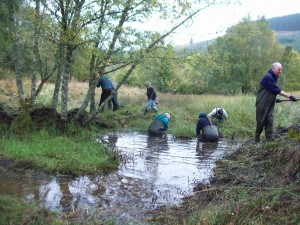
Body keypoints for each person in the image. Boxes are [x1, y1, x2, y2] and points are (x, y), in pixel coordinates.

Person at [255, 62, 297, 142]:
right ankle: (256, 140)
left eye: (281, 70)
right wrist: (290, 96)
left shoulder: (273, 77)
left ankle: (269, 140)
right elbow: (276, 90)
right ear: (273, 68)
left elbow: (271, 91)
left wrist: (275, 99)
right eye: (279, 69)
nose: (280, 71)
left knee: (269, 121)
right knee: (260, 122)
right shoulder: (268, 77)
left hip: (269, 104)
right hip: (262, 104)